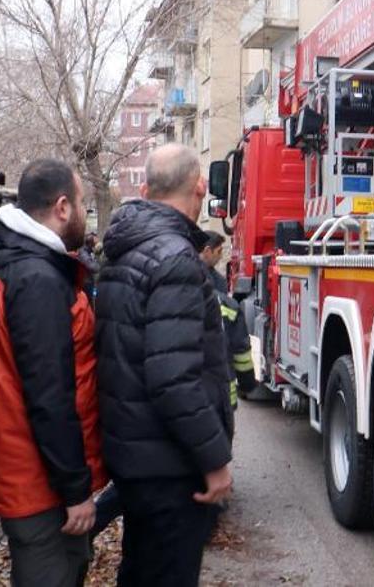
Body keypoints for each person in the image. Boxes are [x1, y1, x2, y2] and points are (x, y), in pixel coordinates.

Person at [0, 159, 106, 587]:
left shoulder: (2, 262)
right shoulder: (37, 278)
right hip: (39, 486)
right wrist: (76, 491)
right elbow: (50, 397)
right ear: (62, 207)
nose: (84, 212)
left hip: (19, 471)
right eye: (82, 202)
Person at [96, 144, 233, 587]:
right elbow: (173, 379)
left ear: (145, 188)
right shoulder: (176, 258)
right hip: (170, 469)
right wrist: (214, 461)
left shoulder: (123, 250)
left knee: (139, 571)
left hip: (136, 460)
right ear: (200, 187)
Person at [197, 234, 256, 412]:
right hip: (220, 396)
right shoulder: (223, 297)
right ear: (207, 251)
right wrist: (247, 384)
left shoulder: (179, 282)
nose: (222, 256)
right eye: (219, 251)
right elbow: (240, 348)